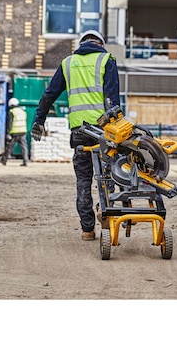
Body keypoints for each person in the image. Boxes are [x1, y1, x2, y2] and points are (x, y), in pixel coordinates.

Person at [30, 30, 120, 241]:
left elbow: (49, 94)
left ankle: (87, 229)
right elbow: (112, 99)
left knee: (83, 180)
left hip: (79, 131)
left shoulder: (68, 63)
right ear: (100, 43)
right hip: (104, 131)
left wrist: (39, 120)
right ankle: (105, 209)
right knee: (109, 173)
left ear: (81, 43)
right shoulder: (107, 59)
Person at [0, 97, 29, 166]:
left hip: (15, 132)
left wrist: (8, 133)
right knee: (24, 147)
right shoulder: (23, 112)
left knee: (10, 147)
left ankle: (4, 160)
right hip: (23, 131)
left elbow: (10, 123)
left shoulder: (12, 112)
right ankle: (25, 161)